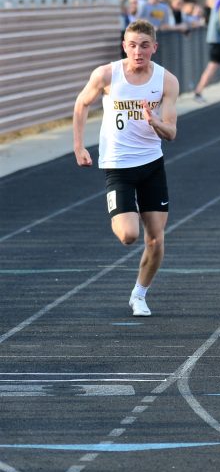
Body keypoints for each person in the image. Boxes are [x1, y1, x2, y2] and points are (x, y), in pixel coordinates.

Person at [72, 20, 180, 317]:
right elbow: (82, 104)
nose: (138, 51)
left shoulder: (166, 81)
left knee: (156, 239)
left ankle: (139, 294)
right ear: (124, 46)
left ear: (154, 48)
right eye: (132, 45)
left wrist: (155, 122)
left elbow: (171, 133)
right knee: (129, 235)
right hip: (118, 166)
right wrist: (79, 146)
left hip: (151, 165)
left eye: (145, 45)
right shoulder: (107, 74)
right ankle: (119, 209)